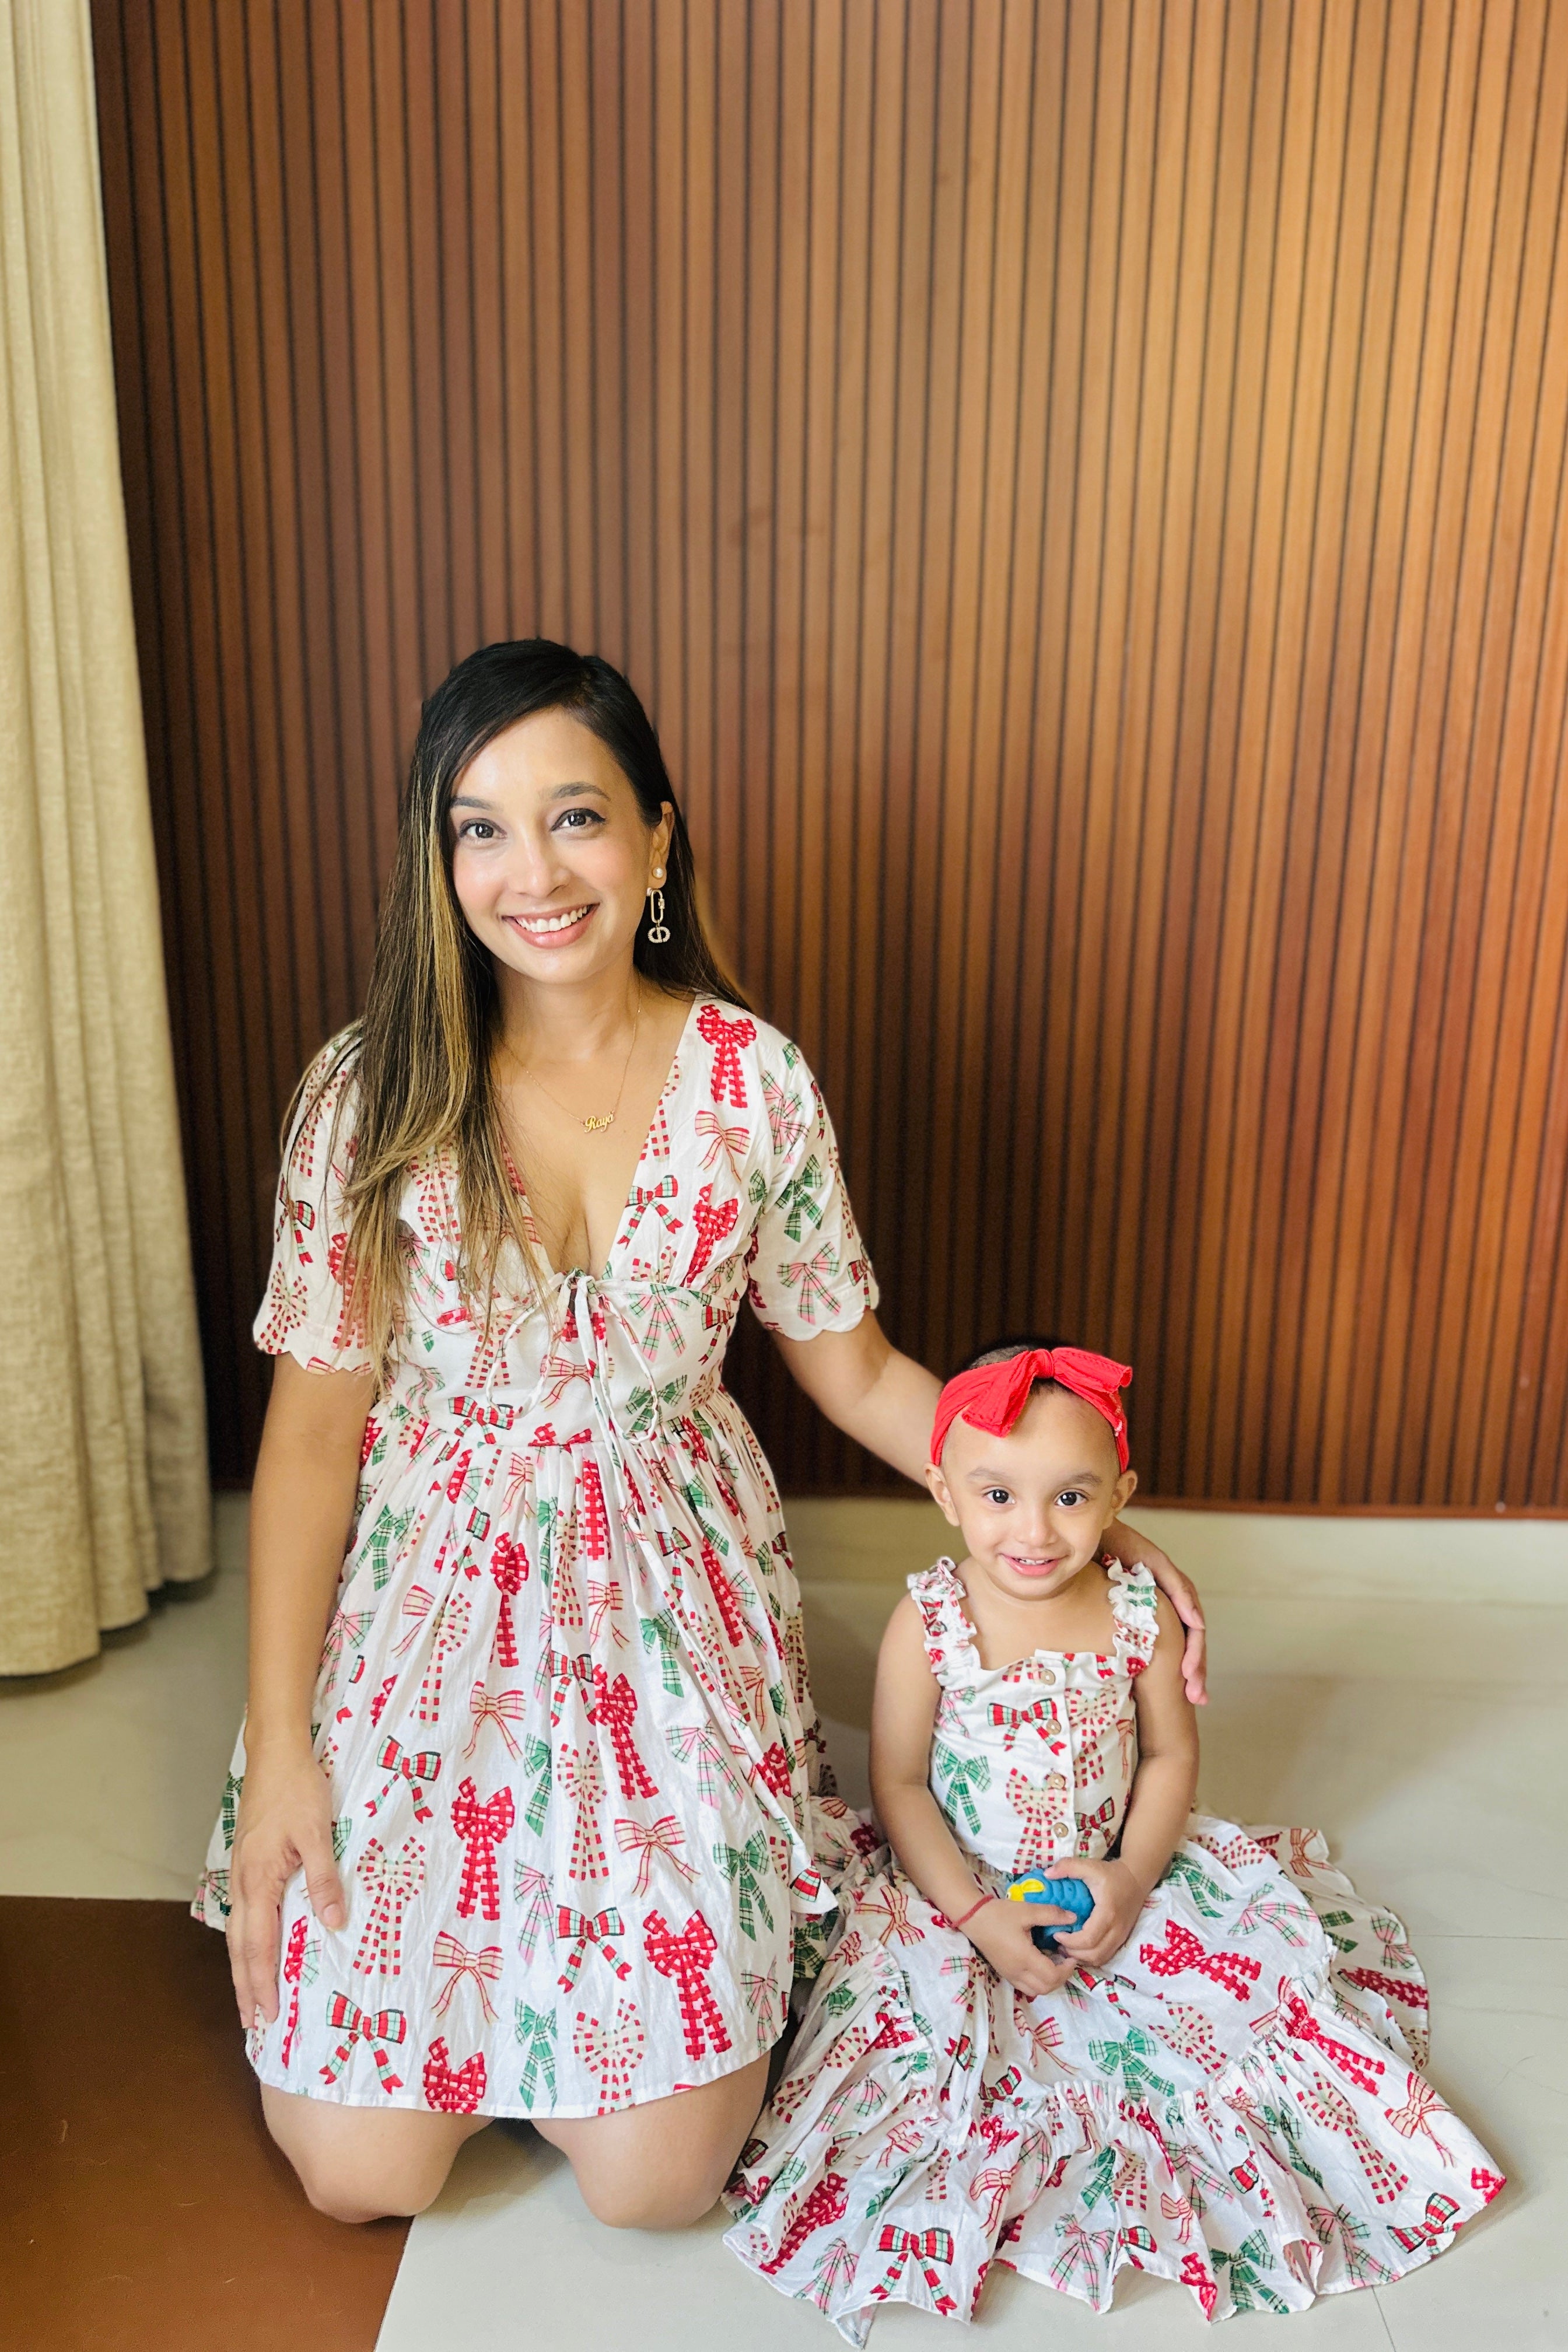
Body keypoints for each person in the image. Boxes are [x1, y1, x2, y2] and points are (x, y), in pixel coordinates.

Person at [194, 641, 1206, 2230]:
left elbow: (858, 1369)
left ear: (659, 839)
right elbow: (314, 1443)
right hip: (429, 1616)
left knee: (658, 2189)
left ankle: (629, 1955)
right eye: (481, 827)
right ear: (436, 855)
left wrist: (1054, 1498)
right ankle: (490, 1966)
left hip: (665, 1605)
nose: (532, 873)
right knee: (354, 2176)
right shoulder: (368, 1092)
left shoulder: (753, 1082)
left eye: (577, 817)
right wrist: (280, 1756)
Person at [724, 1340, 1503, 2333]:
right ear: (944, 1491)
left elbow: (1171, 1758)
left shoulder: (1139, 1617)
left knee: (1226, 2014)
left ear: (1120, 1495)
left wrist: (1135, 1876)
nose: (1035, 1532)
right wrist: (971, 1911)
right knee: (925, 2052)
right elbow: (903, 1783)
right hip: (960, 1882)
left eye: (1071, 1497)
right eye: (997, 1494)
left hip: (1114, 1869)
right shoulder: (930, 1624)